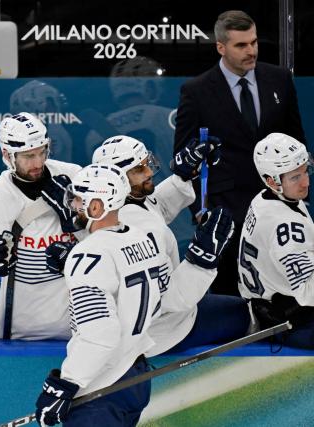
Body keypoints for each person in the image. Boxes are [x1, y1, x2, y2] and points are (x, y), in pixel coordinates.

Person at [34, 163, 234, 426]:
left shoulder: (86, 255)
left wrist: (66, 383)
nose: (74, 205)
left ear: (97, 207)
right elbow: (168, 299)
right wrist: (200, 265)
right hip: (137, 378)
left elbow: (99, 333)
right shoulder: (140, 239)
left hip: (103, 385)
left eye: (80, 200)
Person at [173, 10, 306, 296]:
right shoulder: (196, 91)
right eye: (241, 45)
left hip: (279, 206)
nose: (251, 51)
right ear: (221, 47)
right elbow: (184, 160)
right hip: (226, 211)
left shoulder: (280, 79)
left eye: (254, 42)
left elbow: (297, 143)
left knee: (283, 288)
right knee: (230, 296)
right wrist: (202, 212)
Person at [91, 136, 248, 354]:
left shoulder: (119, 206)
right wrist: (201, 260)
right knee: (245, 314)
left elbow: (156, 206)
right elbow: (167, 300)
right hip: (163, 334)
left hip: (147, 327)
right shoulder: (136, 230)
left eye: (147, 164)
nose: (148, 173)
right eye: (139, 170)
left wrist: (183, 176)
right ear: (117, 180)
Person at [0, 112, 82, 340]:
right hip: (24, 327)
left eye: (42, 152)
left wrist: (76, 220)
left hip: (78, 321)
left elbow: (105, 236)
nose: (38, 163)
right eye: (28, 156)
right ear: (7, 155)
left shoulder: (74, 176)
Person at [239, 133, 314, 348]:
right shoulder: (285, 227)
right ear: (272, 180)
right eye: (295, 177)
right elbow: (308, 292)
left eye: (305, 171)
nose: (306, 182)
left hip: (269, 303)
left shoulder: (264, 197)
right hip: (290, 322)